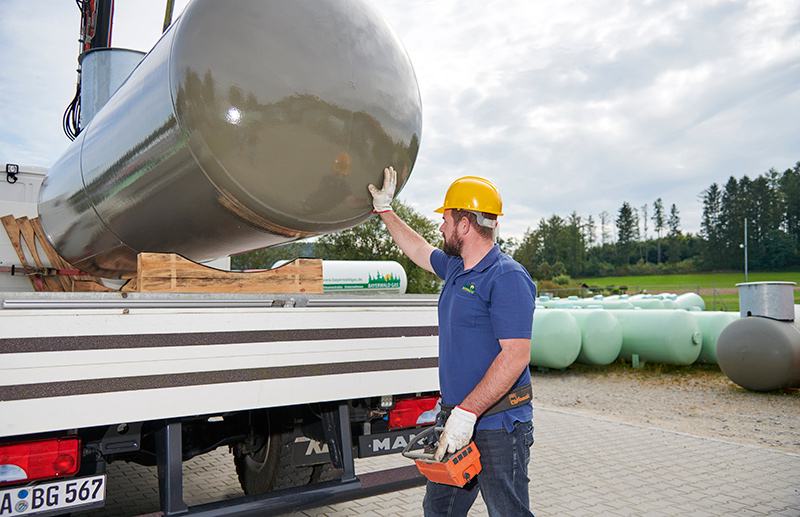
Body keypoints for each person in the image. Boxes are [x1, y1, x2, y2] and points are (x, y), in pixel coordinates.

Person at [368, 167, 536, 516]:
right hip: (456, 422)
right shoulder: (457, 268)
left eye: (446, 219)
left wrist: (469, 413)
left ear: (465, 224)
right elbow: (417, 247)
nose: (441, 227)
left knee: (508, 512)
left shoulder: (506, 277)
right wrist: (386, 210)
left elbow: (516, 356)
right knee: (439, 511)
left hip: (497, 427)